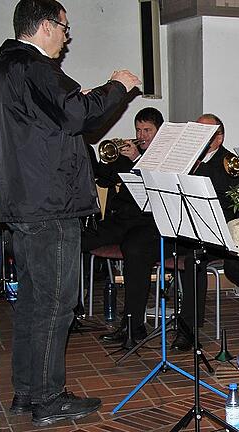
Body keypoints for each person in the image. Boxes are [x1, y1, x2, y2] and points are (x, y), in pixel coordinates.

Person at [0, 0, 140, 426]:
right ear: (45, 26)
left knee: (34, 303)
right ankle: (49, 398)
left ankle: (28, 393)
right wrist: (116, 86)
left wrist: (81, 97)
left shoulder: (3, 69)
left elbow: (52, 119)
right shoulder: (35, 67)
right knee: (57, 303)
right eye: (64, 27)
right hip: (49, 206)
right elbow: (76, 115)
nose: (67, 36)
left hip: (25, 205)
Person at [84, 107, 165, 348]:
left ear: (159, 132)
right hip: (121, 220)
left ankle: (133, 325)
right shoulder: (127, 152)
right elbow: (105, 178)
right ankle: (72, 307)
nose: (142, 135)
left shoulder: (164, 155)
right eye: (139, 130)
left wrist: (136, 161)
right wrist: (108, 158)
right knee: (78, 239)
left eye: (148, 130)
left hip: (148, 223)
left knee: (135, 250)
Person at [171, 113, 239, 351]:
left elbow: (233, 201)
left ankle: (188, 328)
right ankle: (135, 322)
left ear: (219, 138)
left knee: (193, 261)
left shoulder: (230, 162)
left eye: (204, 134)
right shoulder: (187, 158)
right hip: (191, 228)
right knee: (147, 245)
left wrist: (199, 166)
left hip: (220, 230)